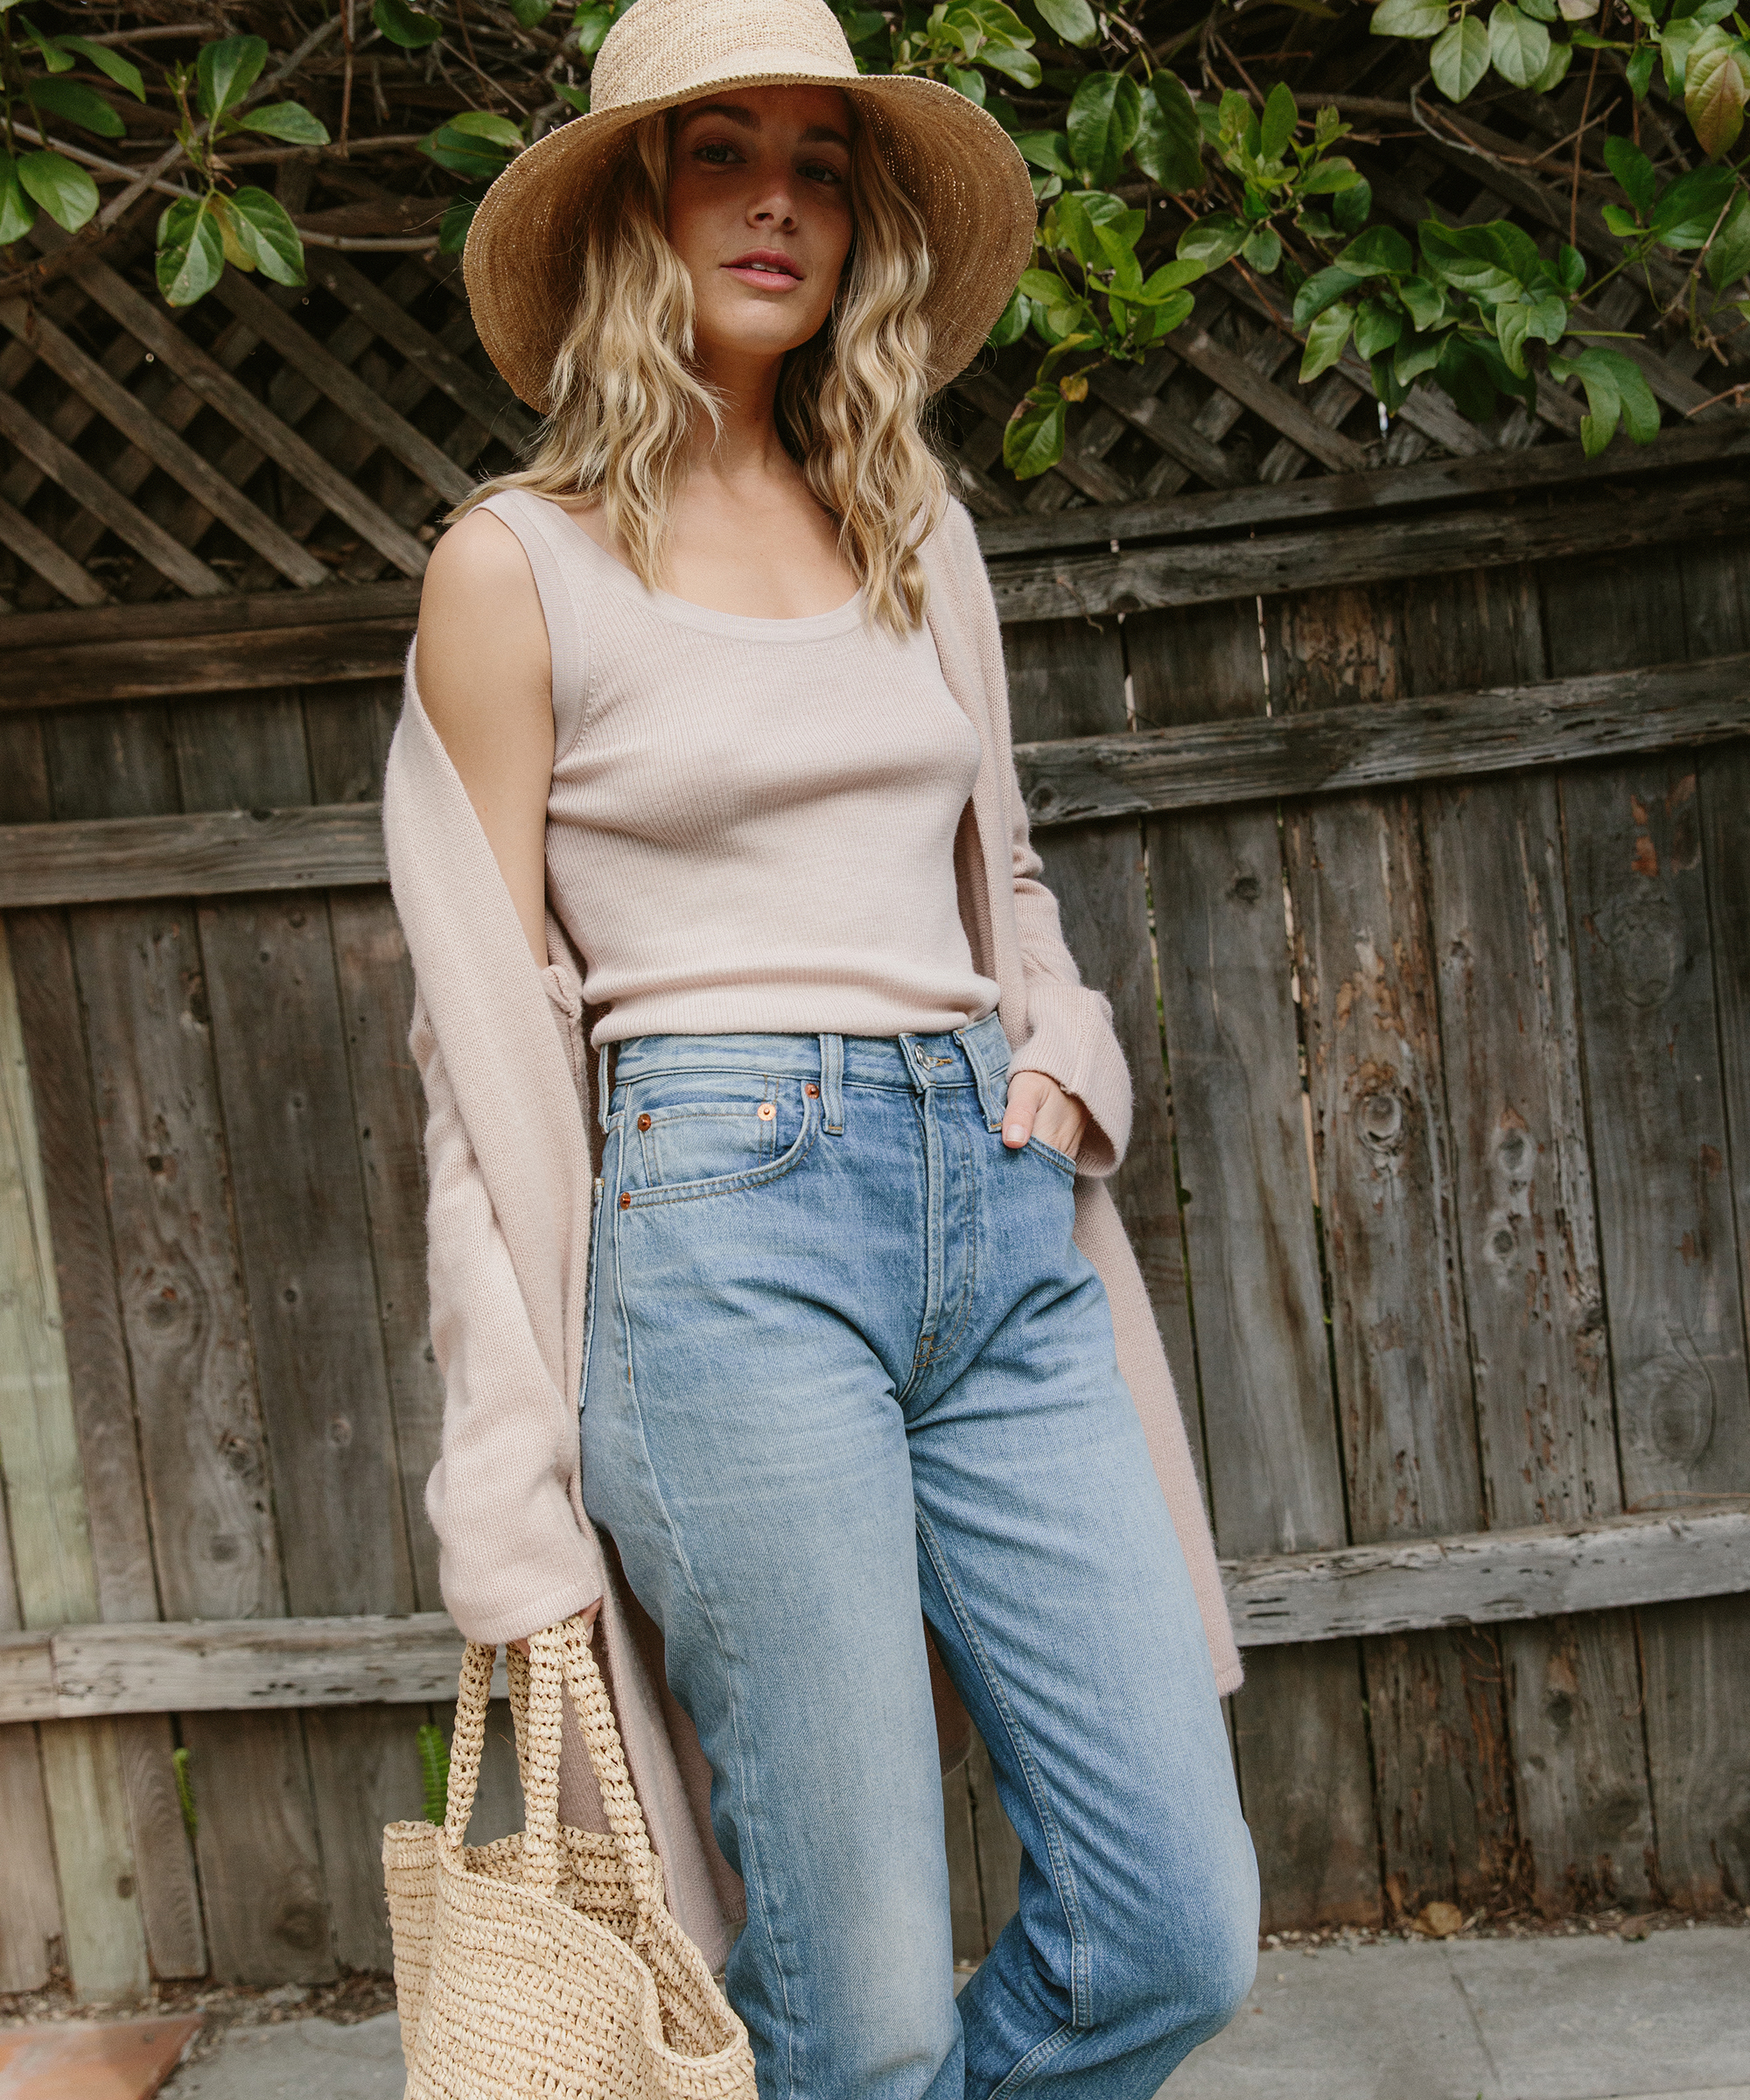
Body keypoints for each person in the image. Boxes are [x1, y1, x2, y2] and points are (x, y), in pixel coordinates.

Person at [384, 3, 1258, 2096]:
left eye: (822, 157)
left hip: (997, 1221)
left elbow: (1004, 882)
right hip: (722, 1239)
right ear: (628, 206)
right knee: (852, 2011)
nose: (778, 196)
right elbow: (478, 1051)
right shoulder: (512, 569)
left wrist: (1064, 1058)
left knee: (1175, 1927)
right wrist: (503, 1486)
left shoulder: (908, 526)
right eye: (716, 149)